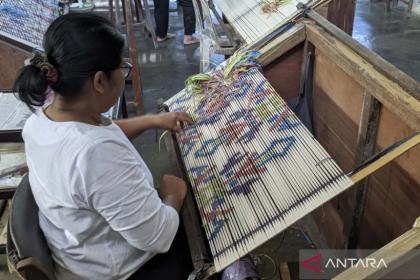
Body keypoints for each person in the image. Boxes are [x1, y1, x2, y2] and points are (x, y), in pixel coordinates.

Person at [14, 13, 193, 280]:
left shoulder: (42, 118)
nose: (124, 72)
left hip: (80, 251)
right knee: (200, 223)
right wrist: (173, 194)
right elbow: (158, 237)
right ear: (99, 81)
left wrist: (153, 121)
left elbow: (99, 133)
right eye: (121, 68)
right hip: (119, 271)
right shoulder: (94, 155)